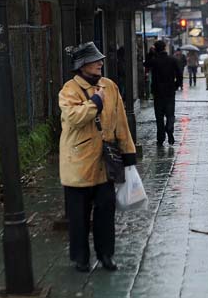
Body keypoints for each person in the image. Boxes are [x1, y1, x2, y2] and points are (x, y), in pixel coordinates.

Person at [59, 41, 137, 272]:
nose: (100, 63)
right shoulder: (69, 90)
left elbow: (120, 120)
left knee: (105, 210)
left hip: (106, 162)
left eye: (100, 60)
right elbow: (73, 117)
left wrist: (128, 153)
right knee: (79, 215)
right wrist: (95, 103)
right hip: (78, 163)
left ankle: (106, 255)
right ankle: (80, 257)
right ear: (82, 65)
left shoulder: (110, 86)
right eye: (95, 60)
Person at [144, 40, 182, 146]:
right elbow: (179, 74)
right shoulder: (172, 60)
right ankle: (169, 129)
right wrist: (176, 85)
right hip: (170, 92)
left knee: (159, 117)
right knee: (170, 114)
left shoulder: (155, 61)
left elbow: (146, 64)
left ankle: (161, 138)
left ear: (156, 49)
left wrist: (150, 53)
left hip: (158, 93)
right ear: (165, 48)